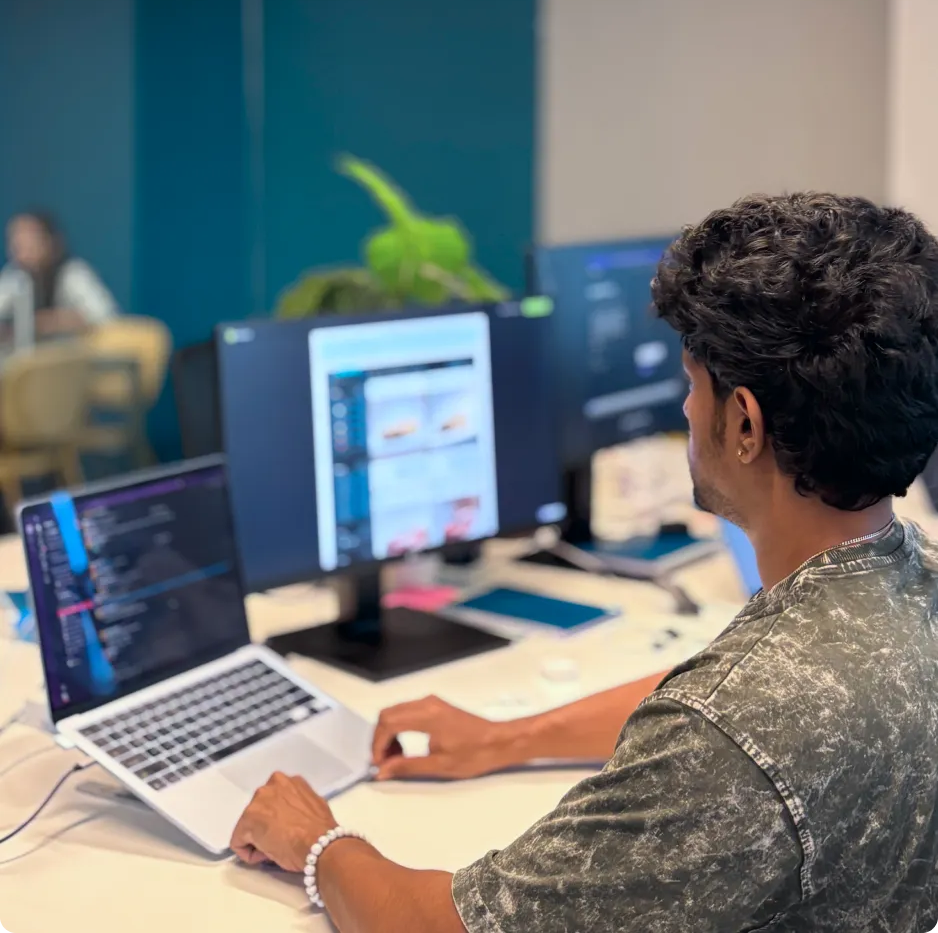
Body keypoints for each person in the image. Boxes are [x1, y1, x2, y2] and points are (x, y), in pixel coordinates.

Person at [231, 193, 938, 933]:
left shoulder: (737, 725)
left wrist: (317, 843)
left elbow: (445, 928)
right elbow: (713, 702)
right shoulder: (905, 577)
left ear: (745, 424)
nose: (686, 409)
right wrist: (510, 737)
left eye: (692, 384)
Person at [0, 211, 117, 338]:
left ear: (50, 242)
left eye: (29, 239)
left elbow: (107, 319)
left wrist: (54, 322)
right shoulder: (14, 277)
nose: (22, 248)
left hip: (76, 354)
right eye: (16, 240)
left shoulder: (74, 274)